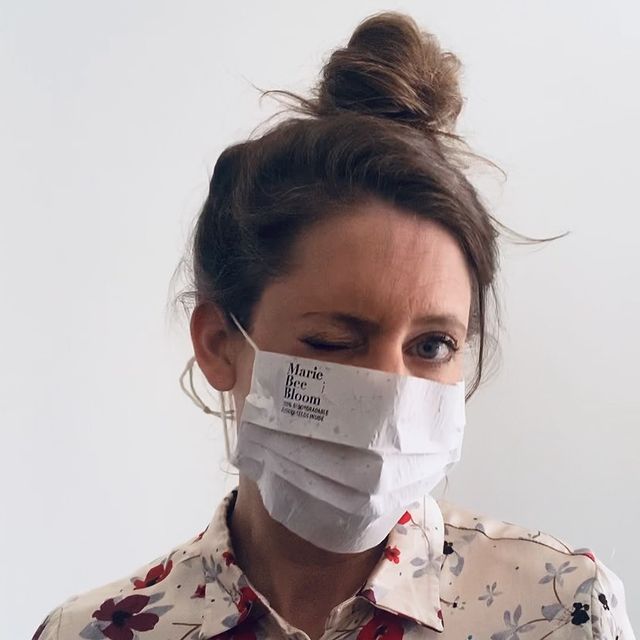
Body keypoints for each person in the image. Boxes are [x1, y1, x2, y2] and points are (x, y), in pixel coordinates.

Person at [32, 11, 635, 640]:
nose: (390, 394)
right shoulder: (95, 632)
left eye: (433, 345)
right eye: (333, 341)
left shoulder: (563, 609)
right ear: (218, 344)